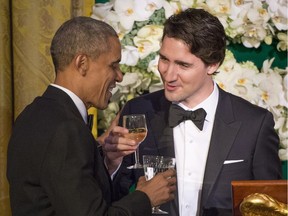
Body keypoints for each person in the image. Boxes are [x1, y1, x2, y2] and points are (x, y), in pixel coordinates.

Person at [101, 8, 282, 216]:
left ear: (212, 65)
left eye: (183, 65)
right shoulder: (139, 111)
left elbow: (270, 206)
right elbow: (113, 198)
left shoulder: (254, 124)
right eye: (164, 59)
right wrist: (111, 163)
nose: (169, 74)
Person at [6, 16, 177, 216]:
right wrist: (146, 197)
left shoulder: (33, 113)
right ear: (82, 63)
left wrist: (106, 162)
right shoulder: (66, 129)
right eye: (113, 65)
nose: (120, 76)